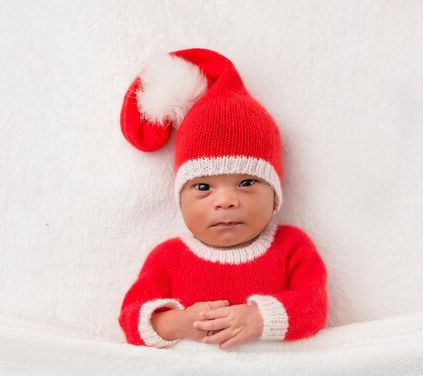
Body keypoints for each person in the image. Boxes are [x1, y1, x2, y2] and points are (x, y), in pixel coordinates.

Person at [118, 48, 328, 350]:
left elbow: (314, 307)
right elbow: (130, 319)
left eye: (246, 182)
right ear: (180, 198)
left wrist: (258, 318)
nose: (226, 201)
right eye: (203, 187)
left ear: (275, 195)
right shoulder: (168, 258)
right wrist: (178, 323)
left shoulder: (291, 248)